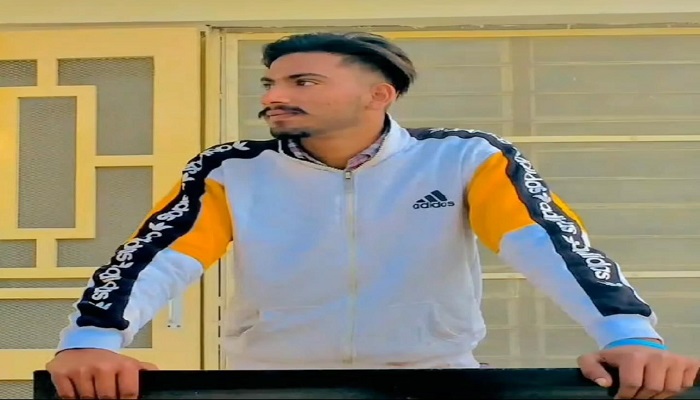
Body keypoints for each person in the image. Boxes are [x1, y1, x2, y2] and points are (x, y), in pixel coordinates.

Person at [46, 32, 698, 399]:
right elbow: (155, 258)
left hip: (438, 385)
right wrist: (92, 344)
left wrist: (630, 337)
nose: (273, 96)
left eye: (302, 82)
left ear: (378, 95)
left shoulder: (465, 159)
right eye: (270, 83)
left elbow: (551, 246)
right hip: (271, 388)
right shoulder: (230, 169)